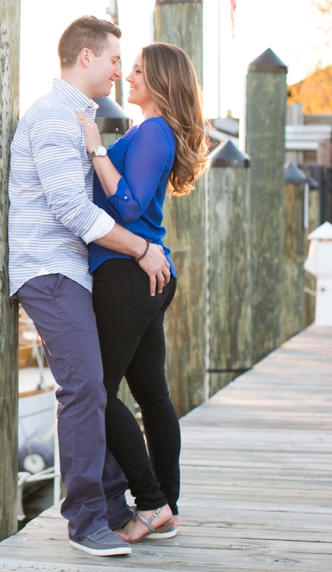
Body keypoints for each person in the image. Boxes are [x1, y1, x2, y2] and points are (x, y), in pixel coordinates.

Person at [8, 16, 172, 557]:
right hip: (48, 270)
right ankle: (86, 521)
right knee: (84, 388)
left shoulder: (79, 116)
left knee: (95, 388)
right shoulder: (55, 117)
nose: (120, 71)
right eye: (114, 60)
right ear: (86, 58)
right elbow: (72, 209)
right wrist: (141, 248)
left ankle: (116, 506)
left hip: (72, 270)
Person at [75, 42, 208, 543]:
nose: (126, 78)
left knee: (96, 392)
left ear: (158, 80)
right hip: (144, 276)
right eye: (125, 69)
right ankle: (166, 506)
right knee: (152, 396)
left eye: (135, 72)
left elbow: (128, 208)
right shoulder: (148, 130)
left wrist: (93, 144)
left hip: (127, 276)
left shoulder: (154, 130)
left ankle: (152, 502)